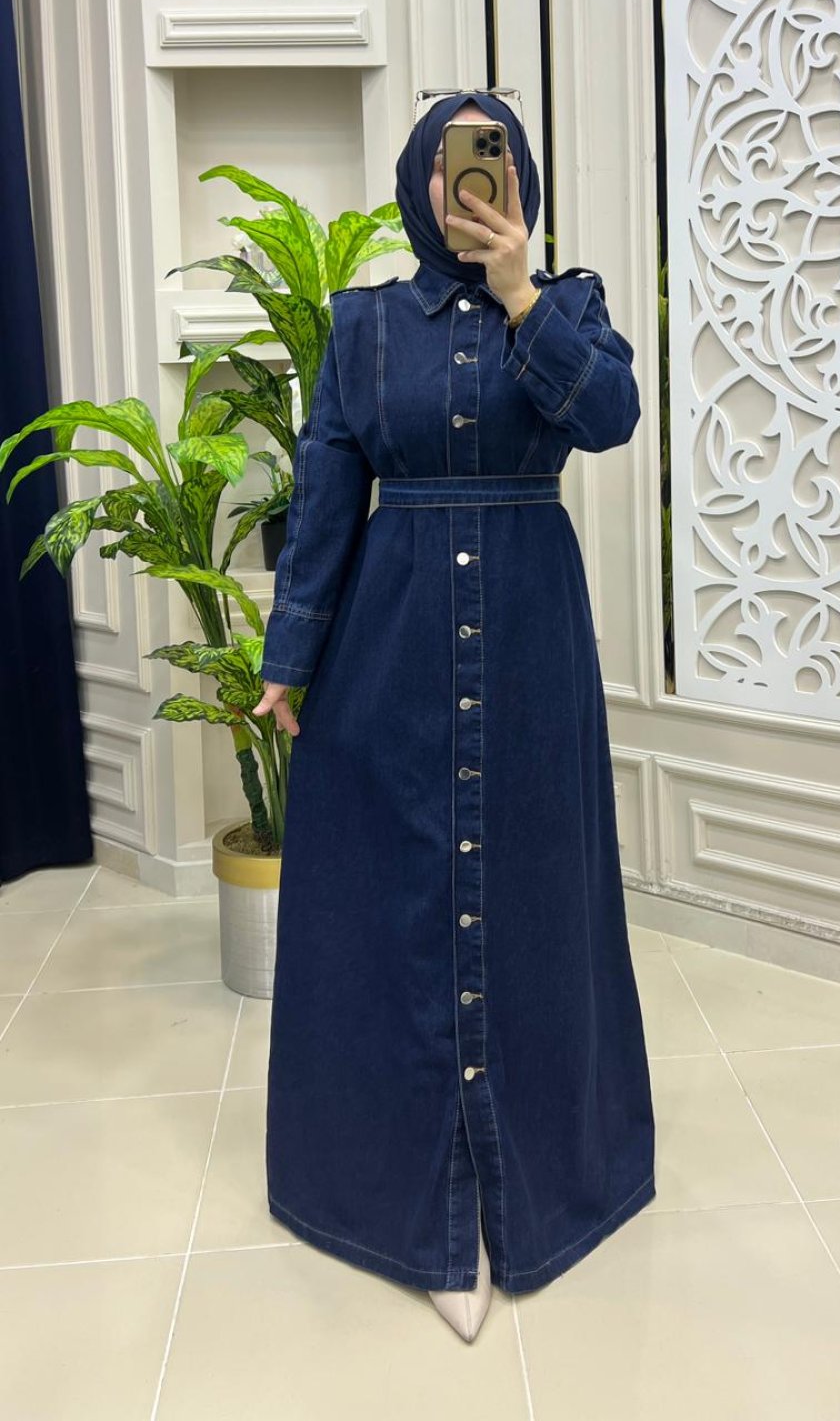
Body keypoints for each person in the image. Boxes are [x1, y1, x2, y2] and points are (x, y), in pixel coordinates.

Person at [253, 91, 655, 1342]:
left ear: (518, 174)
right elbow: (326, 493)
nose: (464, 179)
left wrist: (522, 292)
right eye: (444, 160)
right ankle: (411, 1206)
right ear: (415, 182)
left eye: (487, 156)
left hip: (530, 645)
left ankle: (532, 1181)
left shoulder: (570, 305)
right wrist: (288, 659)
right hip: (389, 645)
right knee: (393, 907)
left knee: (529, 898)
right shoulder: (364, 324)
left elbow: (609, 418)